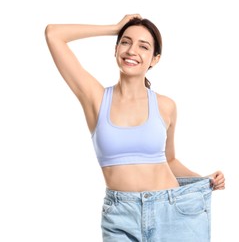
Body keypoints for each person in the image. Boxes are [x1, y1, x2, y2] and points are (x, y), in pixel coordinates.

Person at [45, 14, 225, 242]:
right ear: (116, 49)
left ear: (155, 59)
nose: (132, 51)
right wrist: (114, 27)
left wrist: (202, 179)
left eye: (143, 46)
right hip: (121, 216)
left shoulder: (165, 106)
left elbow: (169, 161)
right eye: (126, 41)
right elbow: (53, 34)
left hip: (174, 211)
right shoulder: (97, 99)